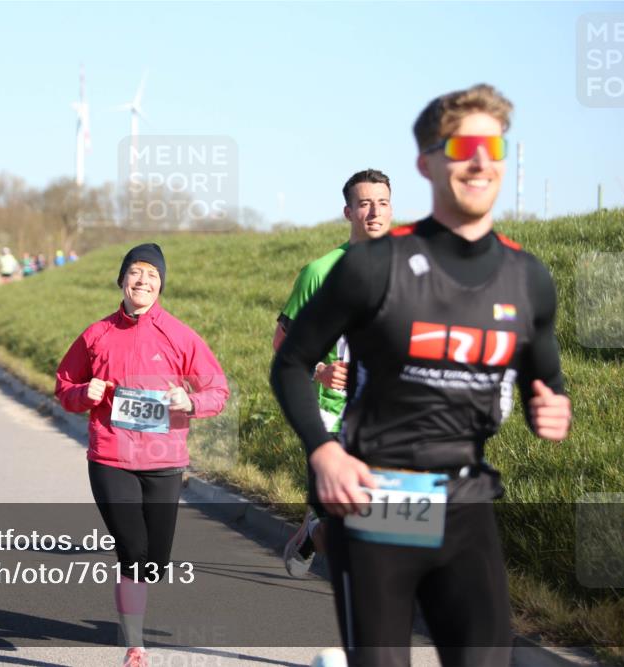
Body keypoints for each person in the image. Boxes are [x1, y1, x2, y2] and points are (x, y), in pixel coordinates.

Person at [270, 83, 571, 667]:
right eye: (462, 145)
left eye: (494, 145)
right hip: (379, 497)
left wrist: (551, 404)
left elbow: (546, 379)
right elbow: (289, 362)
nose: (480, 159)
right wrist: (324, 453)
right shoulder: (370, 267)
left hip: (466, 501)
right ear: (427, 162)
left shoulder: (527, 276)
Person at [56, 243, 229, 667]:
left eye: (152, 275)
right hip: (111, 457)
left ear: (161, 285)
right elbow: (64, 385)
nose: (143, 281)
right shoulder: (96, 334)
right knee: (132, 551)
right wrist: (83, 392)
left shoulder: (180, 334)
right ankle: (135, 646)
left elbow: (217, 391)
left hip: (164, 460)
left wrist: (190, 403)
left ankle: (133, 605)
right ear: (121, 280)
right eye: (135, 273)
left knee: (155, 562)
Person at [276, 169, 394, 578]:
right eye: (364, 203)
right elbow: (283, 346)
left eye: (382, 202)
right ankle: (314, 535)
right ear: (348, 211)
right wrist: (321, 370)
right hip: (330, 414)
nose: (374, 212)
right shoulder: (319, 273)